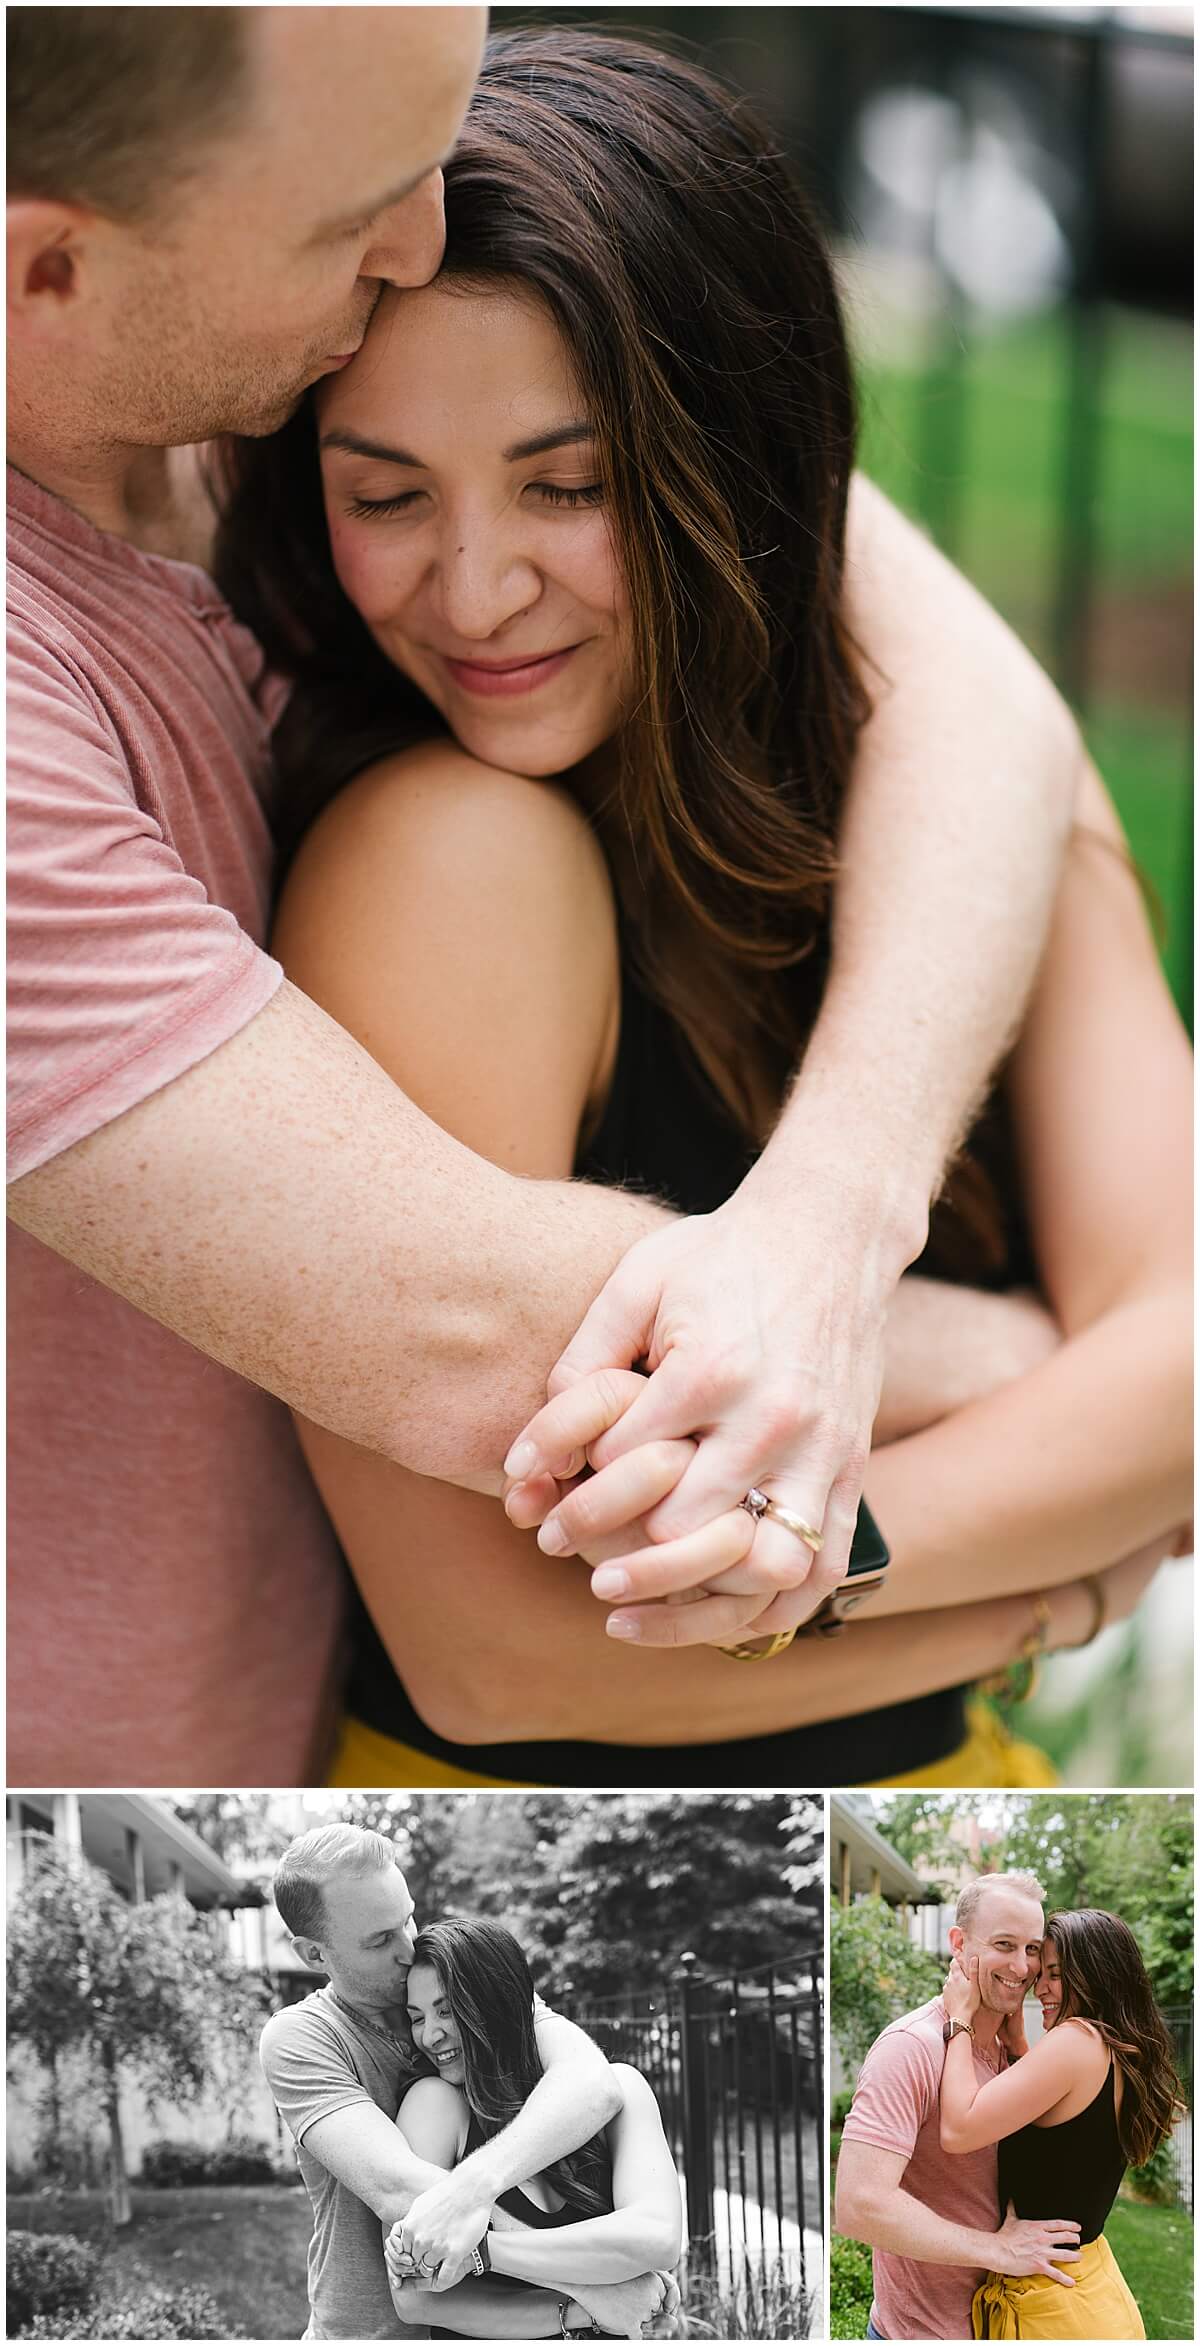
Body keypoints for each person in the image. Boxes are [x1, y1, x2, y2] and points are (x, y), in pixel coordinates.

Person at [8, 6, 1091, 1786]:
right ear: (56, 264)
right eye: (351, 203)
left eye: (570, 482)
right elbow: (466, 1338)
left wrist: (828, 1214)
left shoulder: (281, 368)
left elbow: (979, 703)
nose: (421, 242)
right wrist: (1033, 1406)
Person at [259, 1824, 667, 2339]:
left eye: (407, 1919)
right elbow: (401, 2190)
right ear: (314, 1955)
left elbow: (592, 2085)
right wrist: (594, 2283)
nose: (408, 1948)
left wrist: (485, 2194)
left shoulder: (459, 1983)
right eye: (381, 1940)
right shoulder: (303, 2037)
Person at [383, 1919, 683, 2339]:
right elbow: (416, 2297)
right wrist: (584, 2307)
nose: (430, 2035)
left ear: (496, 2005)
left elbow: (656, 2237)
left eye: (447, 2010)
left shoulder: (622, 2090)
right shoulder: (435, 2106)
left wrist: (483, 2251)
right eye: (416, 2017)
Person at [835, 1874, 1085, 2341]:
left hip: (1007, 2323)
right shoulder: (910, 2048)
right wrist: (996, 2250)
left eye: (1032, 1949)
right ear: (959, 1943)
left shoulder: (1010, 2050)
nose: (1022, 1966)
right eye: (1004, 1944)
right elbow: (856, 2205)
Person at [940, 1909, 1183, 2339]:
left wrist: (958, 2019)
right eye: (1043, 1972)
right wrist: (1018, 2047)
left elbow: (959, 2130)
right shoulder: (1114, 2046)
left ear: (1096, 1975)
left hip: (1053, 2310)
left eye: (1056, 1974)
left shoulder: (1076, 2040)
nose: (1040, 1987)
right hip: (1087, 2286)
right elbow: (1061, 2130)